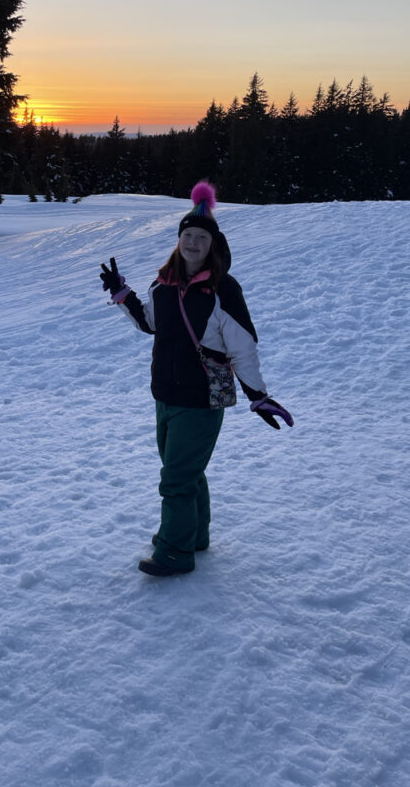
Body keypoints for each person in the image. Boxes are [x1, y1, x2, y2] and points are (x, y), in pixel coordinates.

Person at [99, 181, 293, 577]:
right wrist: (123, 294)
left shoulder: (223, 291)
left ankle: (175, 552)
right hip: (165, 395)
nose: (191, 243)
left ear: (212, 245)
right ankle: (193, 534)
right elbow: (151, 324)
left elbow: (243, 346)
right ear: (178, 240)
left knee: (176, 478)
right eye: (186, 236)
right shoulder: (163, 284)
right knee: (185, 470)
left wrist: (258, 394)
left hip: (202, 400)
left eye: (200, 238)